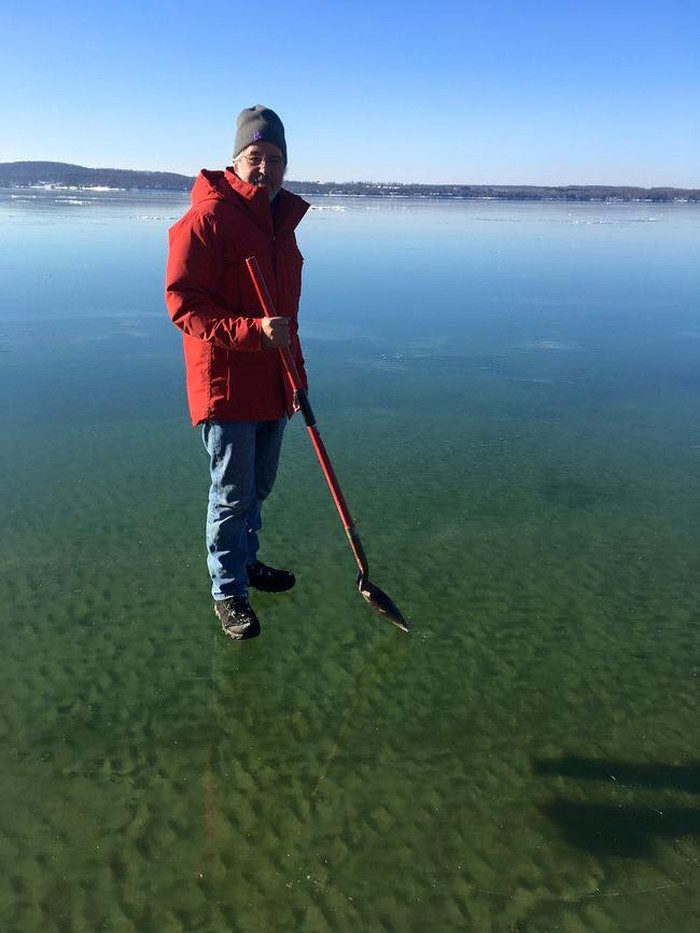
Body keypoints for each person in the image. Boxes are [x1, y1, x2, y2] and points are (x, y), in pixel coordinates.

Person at [165, 105, 310, 641]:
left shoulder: (280, 225)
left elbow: (286, 318)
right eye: (256, 157)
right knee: (231, 493)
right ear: (235, 160)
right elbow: (183, 304)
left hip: (274, 381)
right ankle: (228, 592)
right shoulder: (208, 219)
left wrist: (296, 374)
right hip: (226, 384)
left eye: (275, 159)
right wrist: (251, 333)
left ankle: (246, 562)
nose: (266, 169)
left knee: (259, 487)